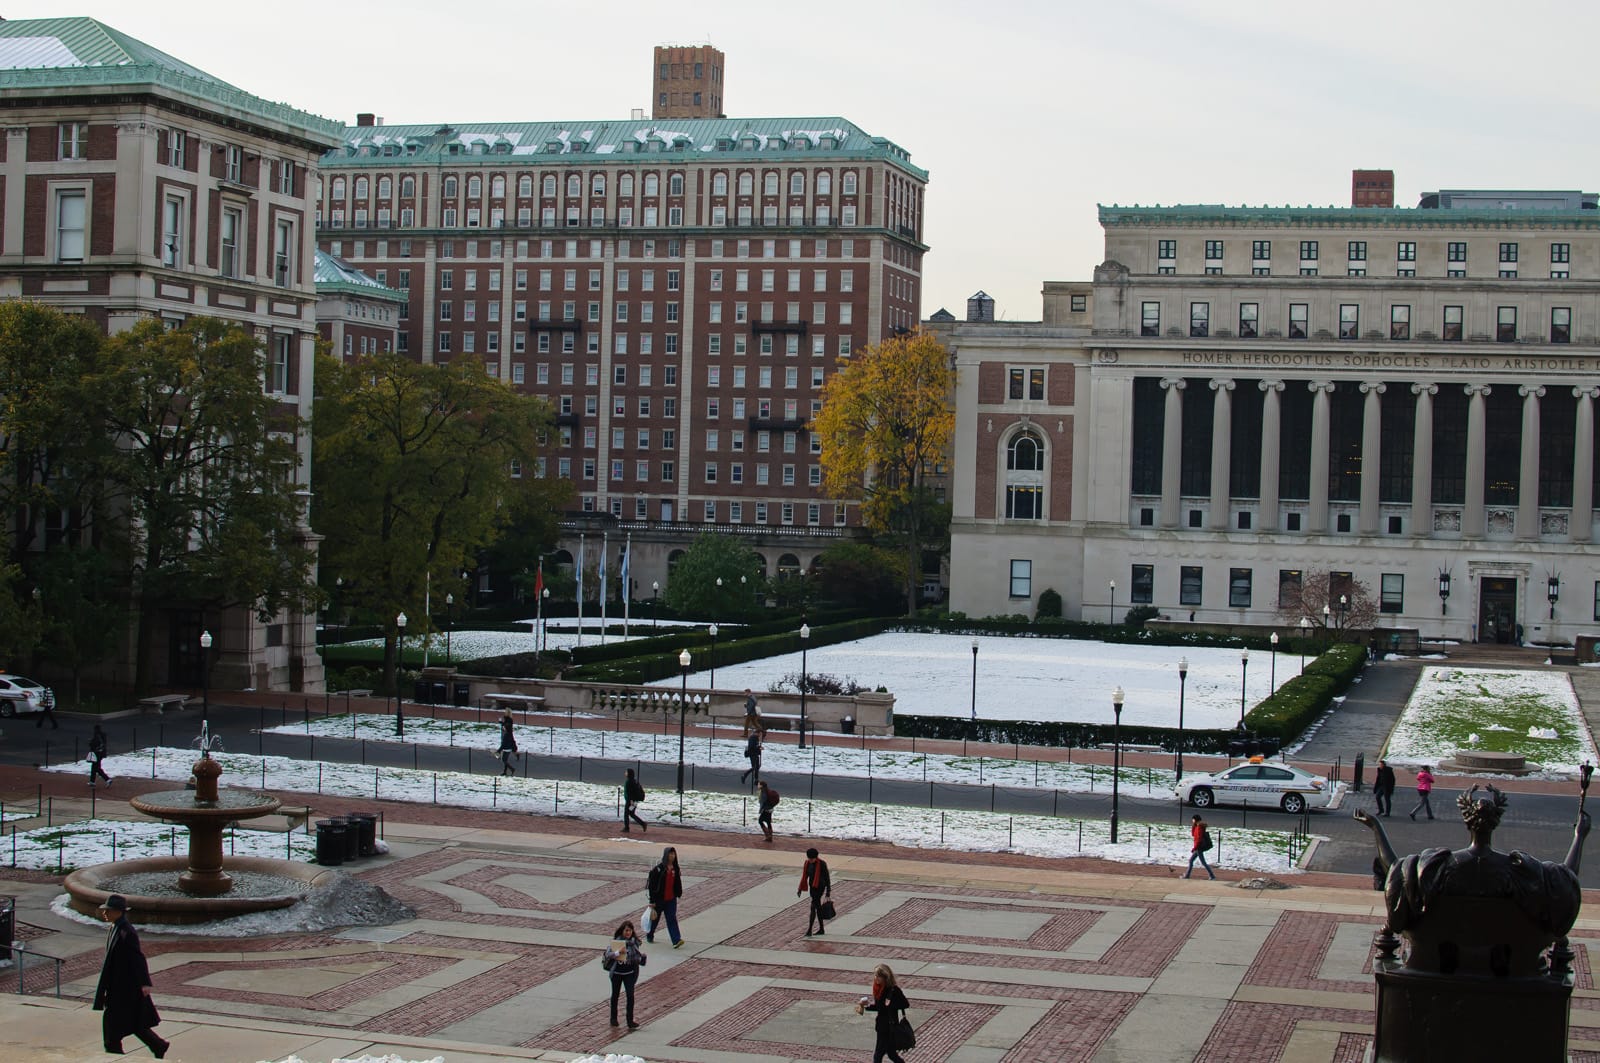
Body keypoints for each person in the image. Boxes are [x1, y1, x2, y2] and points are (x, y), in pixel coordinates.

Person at [93, 895, 168, 1058]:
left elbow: (137, 958)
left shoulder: (126, 932)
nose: (105, 914)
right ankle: (158, 1045)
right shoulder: (115, 928)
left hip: (125, 988)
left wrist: (145, 983)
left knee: (115, 1025)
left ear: (117, 912)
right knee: (133, 1023)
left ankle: (114, 1053)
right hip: (118, 987)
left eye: (108, 911)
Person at [855, 962, 910, 1063]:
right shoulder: (879, 989)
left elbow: (905, 1004)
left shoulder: (893, 990)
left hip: (889, 1027)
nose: (876, 978)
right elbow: (879, 1007)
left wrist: (890, 1005)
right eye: (875, 975)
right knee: (891, 1054)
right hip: (881, 1026)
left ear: (885, 977)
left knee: (878, 1055)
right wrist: (867, 1006)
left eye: (878, 976)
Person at [601, 918, 646, 1029]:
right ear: (622, 931)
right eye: (626, 930)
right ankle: (613, 1018)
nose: (628, 933)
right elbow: (608, 954)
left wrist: (642, 959)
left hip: (630, 973)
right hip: (617, 973)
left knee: (630, 995)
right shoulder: (617, 942)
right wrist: (618, 952)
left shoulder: (634, 943)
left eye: (630, 931)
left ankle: (630, 1020)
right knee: (615, 995)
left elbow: (636, 960)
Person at [645, 846, 684, 948]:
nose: (672, 856)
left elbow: (677, 882)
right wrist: (652, 900)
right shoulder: (658, 869)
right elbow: (652, 886)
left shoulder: (675, 868)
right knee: (655, 919)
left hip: (671, 899)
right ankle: (650, 934)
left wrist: (678, 892)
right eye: (670, 854)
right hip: (659, 899)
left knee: (671, 918)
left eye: (673, 854)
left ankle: (676, 940)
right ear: (666, 855)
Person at [798, 847, 832, 936]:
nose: (810, 860)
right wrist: (800, 889)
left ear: (816, 857)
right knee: (817, 908)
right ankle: (821, 929)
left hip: (820, 887)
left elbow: (827, 878)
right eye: (809, 858)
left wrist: (828, 892)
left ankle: (810, 930)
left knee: (813, 907)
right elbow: (805, 876)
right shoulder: (807, 863)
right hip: (812, 887)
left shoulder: (822, 864)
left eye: (812, 859)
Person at [1184, 814, 1215, 880]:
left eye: (1193, 819)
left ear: (1195, 820)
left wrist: (1195, 848)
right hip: (1198, 847)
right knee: (1191, 860)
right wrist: (1193, 826)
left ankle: (1212, 876)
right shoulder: (1197, 826)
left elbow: (1199, 839)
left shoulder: (1199, 827)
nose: (1192, 821)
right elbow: (1193, 834)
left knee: (1202, 862)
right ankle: (1187, 875)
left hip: (1198, 847)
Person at [623, 768, 647, 832]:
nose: (625, 773)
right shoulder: (634, 781)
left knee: (626, 814)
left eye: (626, 772)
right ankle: (643, 824)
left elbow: (629, 792)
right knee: (631, 813)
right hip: (635, 801)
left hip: (630, 801)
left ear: (629, 773)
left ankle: (626, 828)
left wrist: (630, 801)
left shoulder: (629, 781)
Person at [497, 712, 518, 777]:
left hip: (506, 749)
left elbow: (503, 744)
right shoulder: (509, 734)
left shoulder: (506, 735)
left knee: (504, 760)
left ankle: (512, 769)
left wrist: (499, 750)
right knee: (505, 760)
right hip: (509, 748)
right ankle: (505, 772)